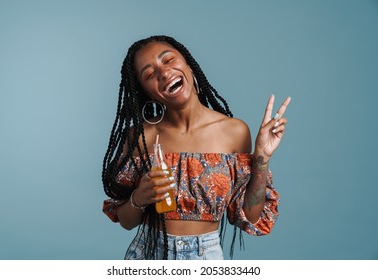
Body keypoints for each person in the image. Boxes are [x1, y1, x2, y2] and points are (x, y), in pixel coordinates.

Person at [102, 35, 291, 260]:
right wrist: (139, 197)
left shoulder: (235, 132)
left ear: (189, 65)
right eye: (150, 74)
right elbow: (126, 221)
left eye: (169, 60)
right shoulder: (140, 137)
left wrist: (261, 156)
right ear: (147, 92)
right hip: (148, 254)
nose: (163, 73)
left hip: (205, 256)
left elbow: (250, 217)